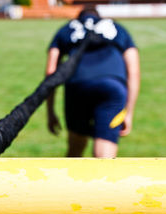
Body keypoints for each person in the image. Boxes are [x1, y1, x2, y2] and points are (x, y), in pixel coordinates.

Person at [45, 7, 140, 159]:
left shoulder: (67, 28)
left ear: (78, 18)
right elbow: (134, 71)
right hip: (112, 88)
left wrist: (50, 112)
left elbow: (50, 72)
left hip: (77, 86)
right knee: (104, 159)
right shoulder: (118, 28)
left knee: (75, 151)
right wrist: (128, 113)